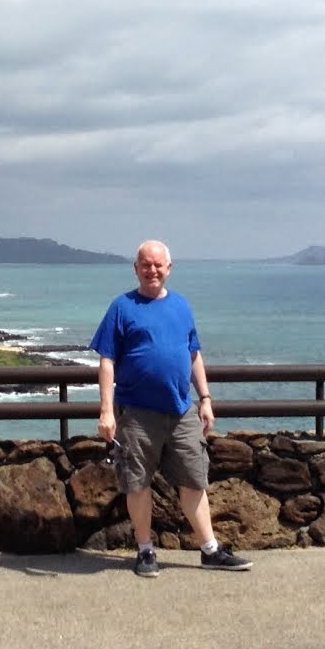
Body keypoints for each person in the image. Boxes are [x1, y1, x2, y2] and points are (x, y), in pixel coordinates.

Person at [89, 240, 251, 578]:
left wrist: (205, 399)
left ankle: (210, 549)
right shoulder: (121, 307)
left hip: (182, 412)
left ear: (169, 269)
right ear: (136, 268)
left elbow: (193, 354)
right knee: (137, 483)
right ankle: (145, 550)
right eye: (145, 264)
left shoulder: (182, 306)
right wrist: (106, 410)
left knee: (194, 480)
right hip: (136, 414)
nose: (152, 270)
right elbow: (107, 361)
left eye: (158, 265)